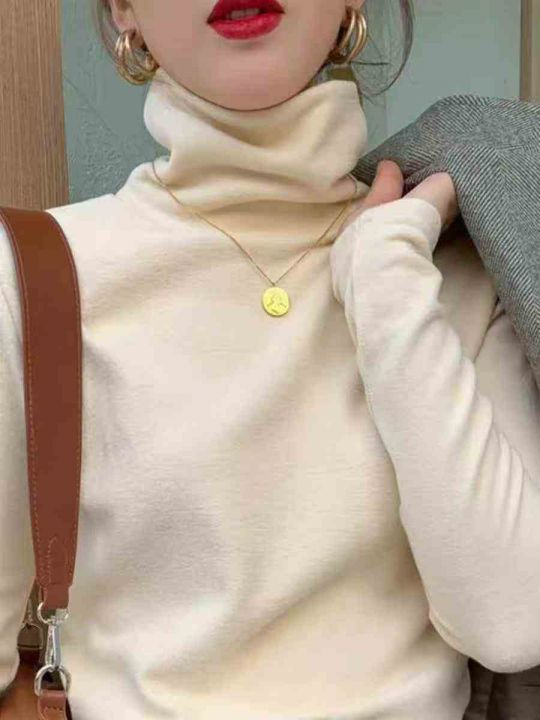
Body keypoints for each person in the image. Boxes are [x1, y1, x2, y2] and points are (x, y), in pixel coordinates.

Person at [1, 1, 539, 719]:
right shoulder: (33, 280)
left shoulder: (451, 267)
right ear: (124, 9)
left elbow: (513, 625)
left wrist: (386, 287)